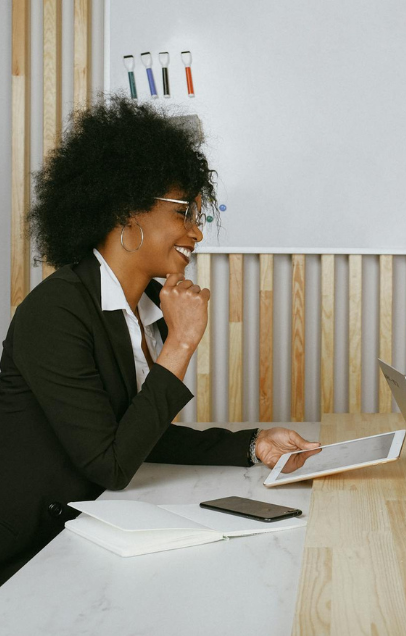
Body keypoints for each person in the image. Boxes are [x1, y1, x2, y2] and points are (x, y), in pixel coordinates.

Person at [0, 96, 319, 585]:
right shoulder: (55, 312)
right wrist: (181, 344)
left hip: (88, 535)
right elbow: (111, 464)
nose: (196, 234)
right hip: (28, 553)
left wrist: (253, 444)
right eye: (183, 213)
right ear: (128, 211)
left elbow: (133, 435)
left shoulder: (148, 307)